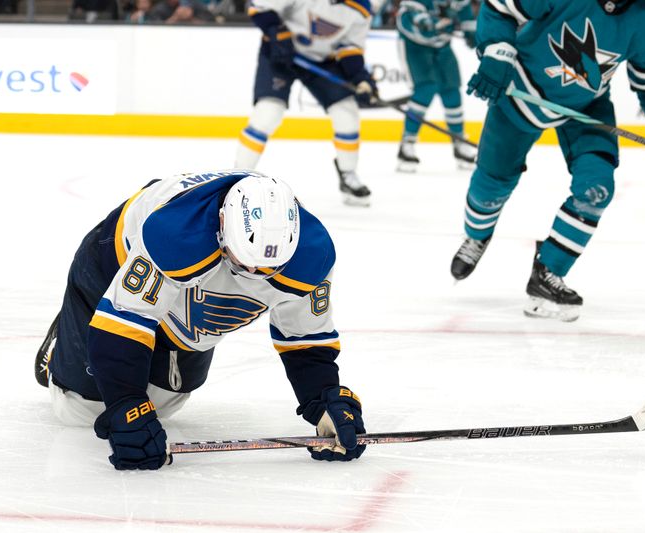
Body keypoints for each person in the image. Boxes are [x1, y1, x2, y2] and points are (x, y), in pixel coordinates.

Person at [34, 171, 365, 470]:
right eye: (245, 263)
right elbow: (125, 321)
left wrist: (324, 398)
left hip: (189, 293)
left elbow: (304, 338)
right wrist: (126, 406)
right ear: (222, 223)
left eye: (269, 270)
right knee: (83, 410)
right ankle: (63, 349)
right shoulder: (175, 233)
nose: (254, 275)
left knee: (165, 405)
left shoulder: (313, 253)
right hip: (113, 269)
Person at [450, 0, 645, 322]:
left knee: (596, 188)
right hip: (521, 92)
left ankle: (547, 272)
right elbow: (500, 9)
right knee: (491, 185)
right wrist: (497, 51)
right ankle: (477, 235)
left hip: (586, 105)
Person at [234, 0, 377, 207]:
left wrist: (361, 79)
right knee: (267, 113)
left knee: (346, 113)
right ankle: (237, 179)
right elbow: (258, 7)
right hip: (279, 54)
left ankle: (348, 174)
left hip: (322, 61)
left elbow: (350, 48)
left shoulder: (362, 8)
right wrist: (278, 33)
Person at [395, 0, 478, 172]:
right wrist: (431, 24)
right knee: (425, 89)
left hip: (442, 45)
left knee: (452, 91)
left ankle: (459, 141)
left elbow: (464, 9)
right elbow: (408, 19)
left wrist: (471, 31)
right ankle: (407, 144)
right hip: (415, 45)